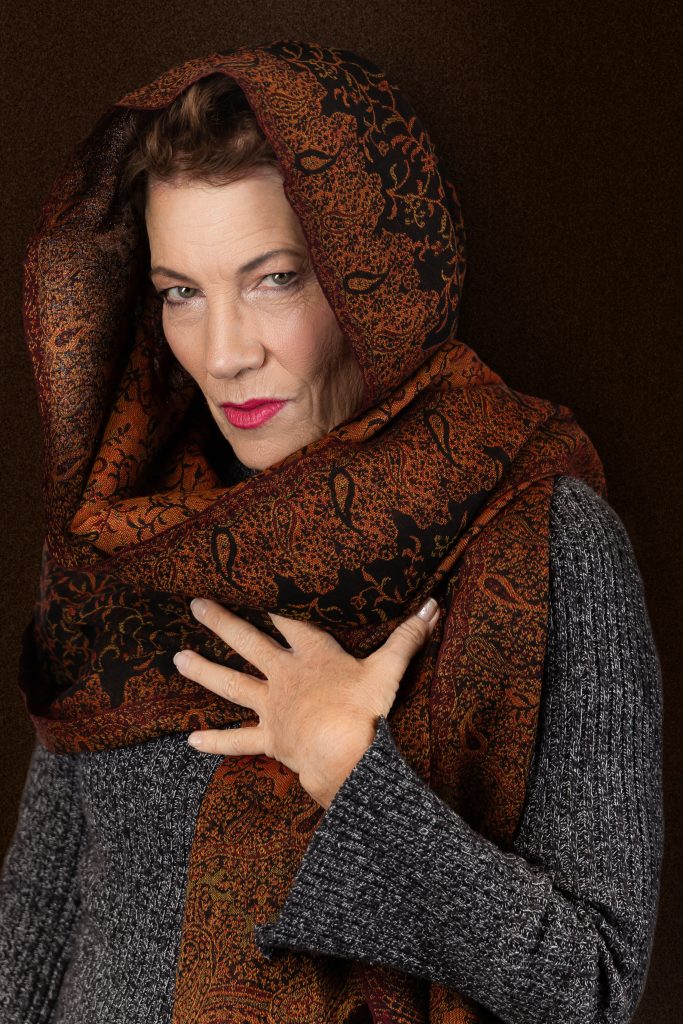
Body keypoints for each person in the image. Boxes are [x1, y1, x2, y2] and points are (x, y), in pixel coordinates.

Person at [0, 41, 663, 1024]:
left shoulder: (539, 536)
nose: (223, 353)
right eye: (182, 291)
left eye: (273, 278)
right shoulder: (120, 546)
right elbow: (35, 932)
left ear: (374, 278)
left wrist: (351, 772)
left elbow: (591, 987)